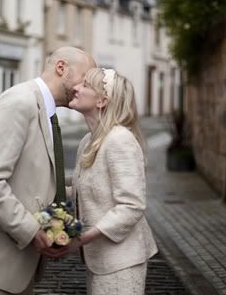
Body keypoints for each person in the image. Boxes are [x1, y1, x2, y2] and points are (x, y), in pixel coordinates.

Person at [0, 47, 96, 295]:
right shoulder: (20, 102)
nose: (86, 87)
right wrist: (30, 230)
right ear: (61, 68)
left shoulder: (46, 111)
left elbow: (38, 180)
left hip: (13, 264)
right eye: (85, 78)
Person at [50, 67, 158, 294]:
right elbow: (82, 190)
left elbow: (132, 206)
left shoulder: (120, 140)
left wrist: (82, 238)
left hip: (122, 262)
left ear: (102, 101)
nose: (76, 88)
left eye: (85, 85)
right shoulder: (87, 141)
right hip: (99, 261)